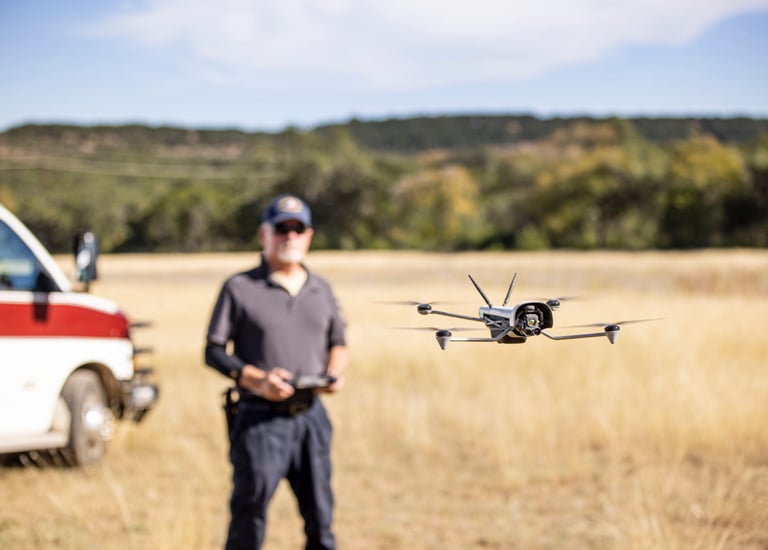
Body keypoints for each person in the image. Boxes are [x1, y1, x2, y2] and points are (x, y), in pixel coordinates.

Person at [204, 194, 348, 550]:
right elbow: (214, 351)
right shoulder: (240, 287)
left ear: (309, 236)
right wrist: (258, 381)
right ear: (263, 234)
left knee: (321, 518)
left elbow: (338, 342)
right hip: (260, 420)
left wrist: (334, 371)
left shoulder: (321, 288)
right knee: (248, 518)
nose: (290, 237)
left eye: (298, 229)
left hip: (311, 417)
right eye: (281, 229)